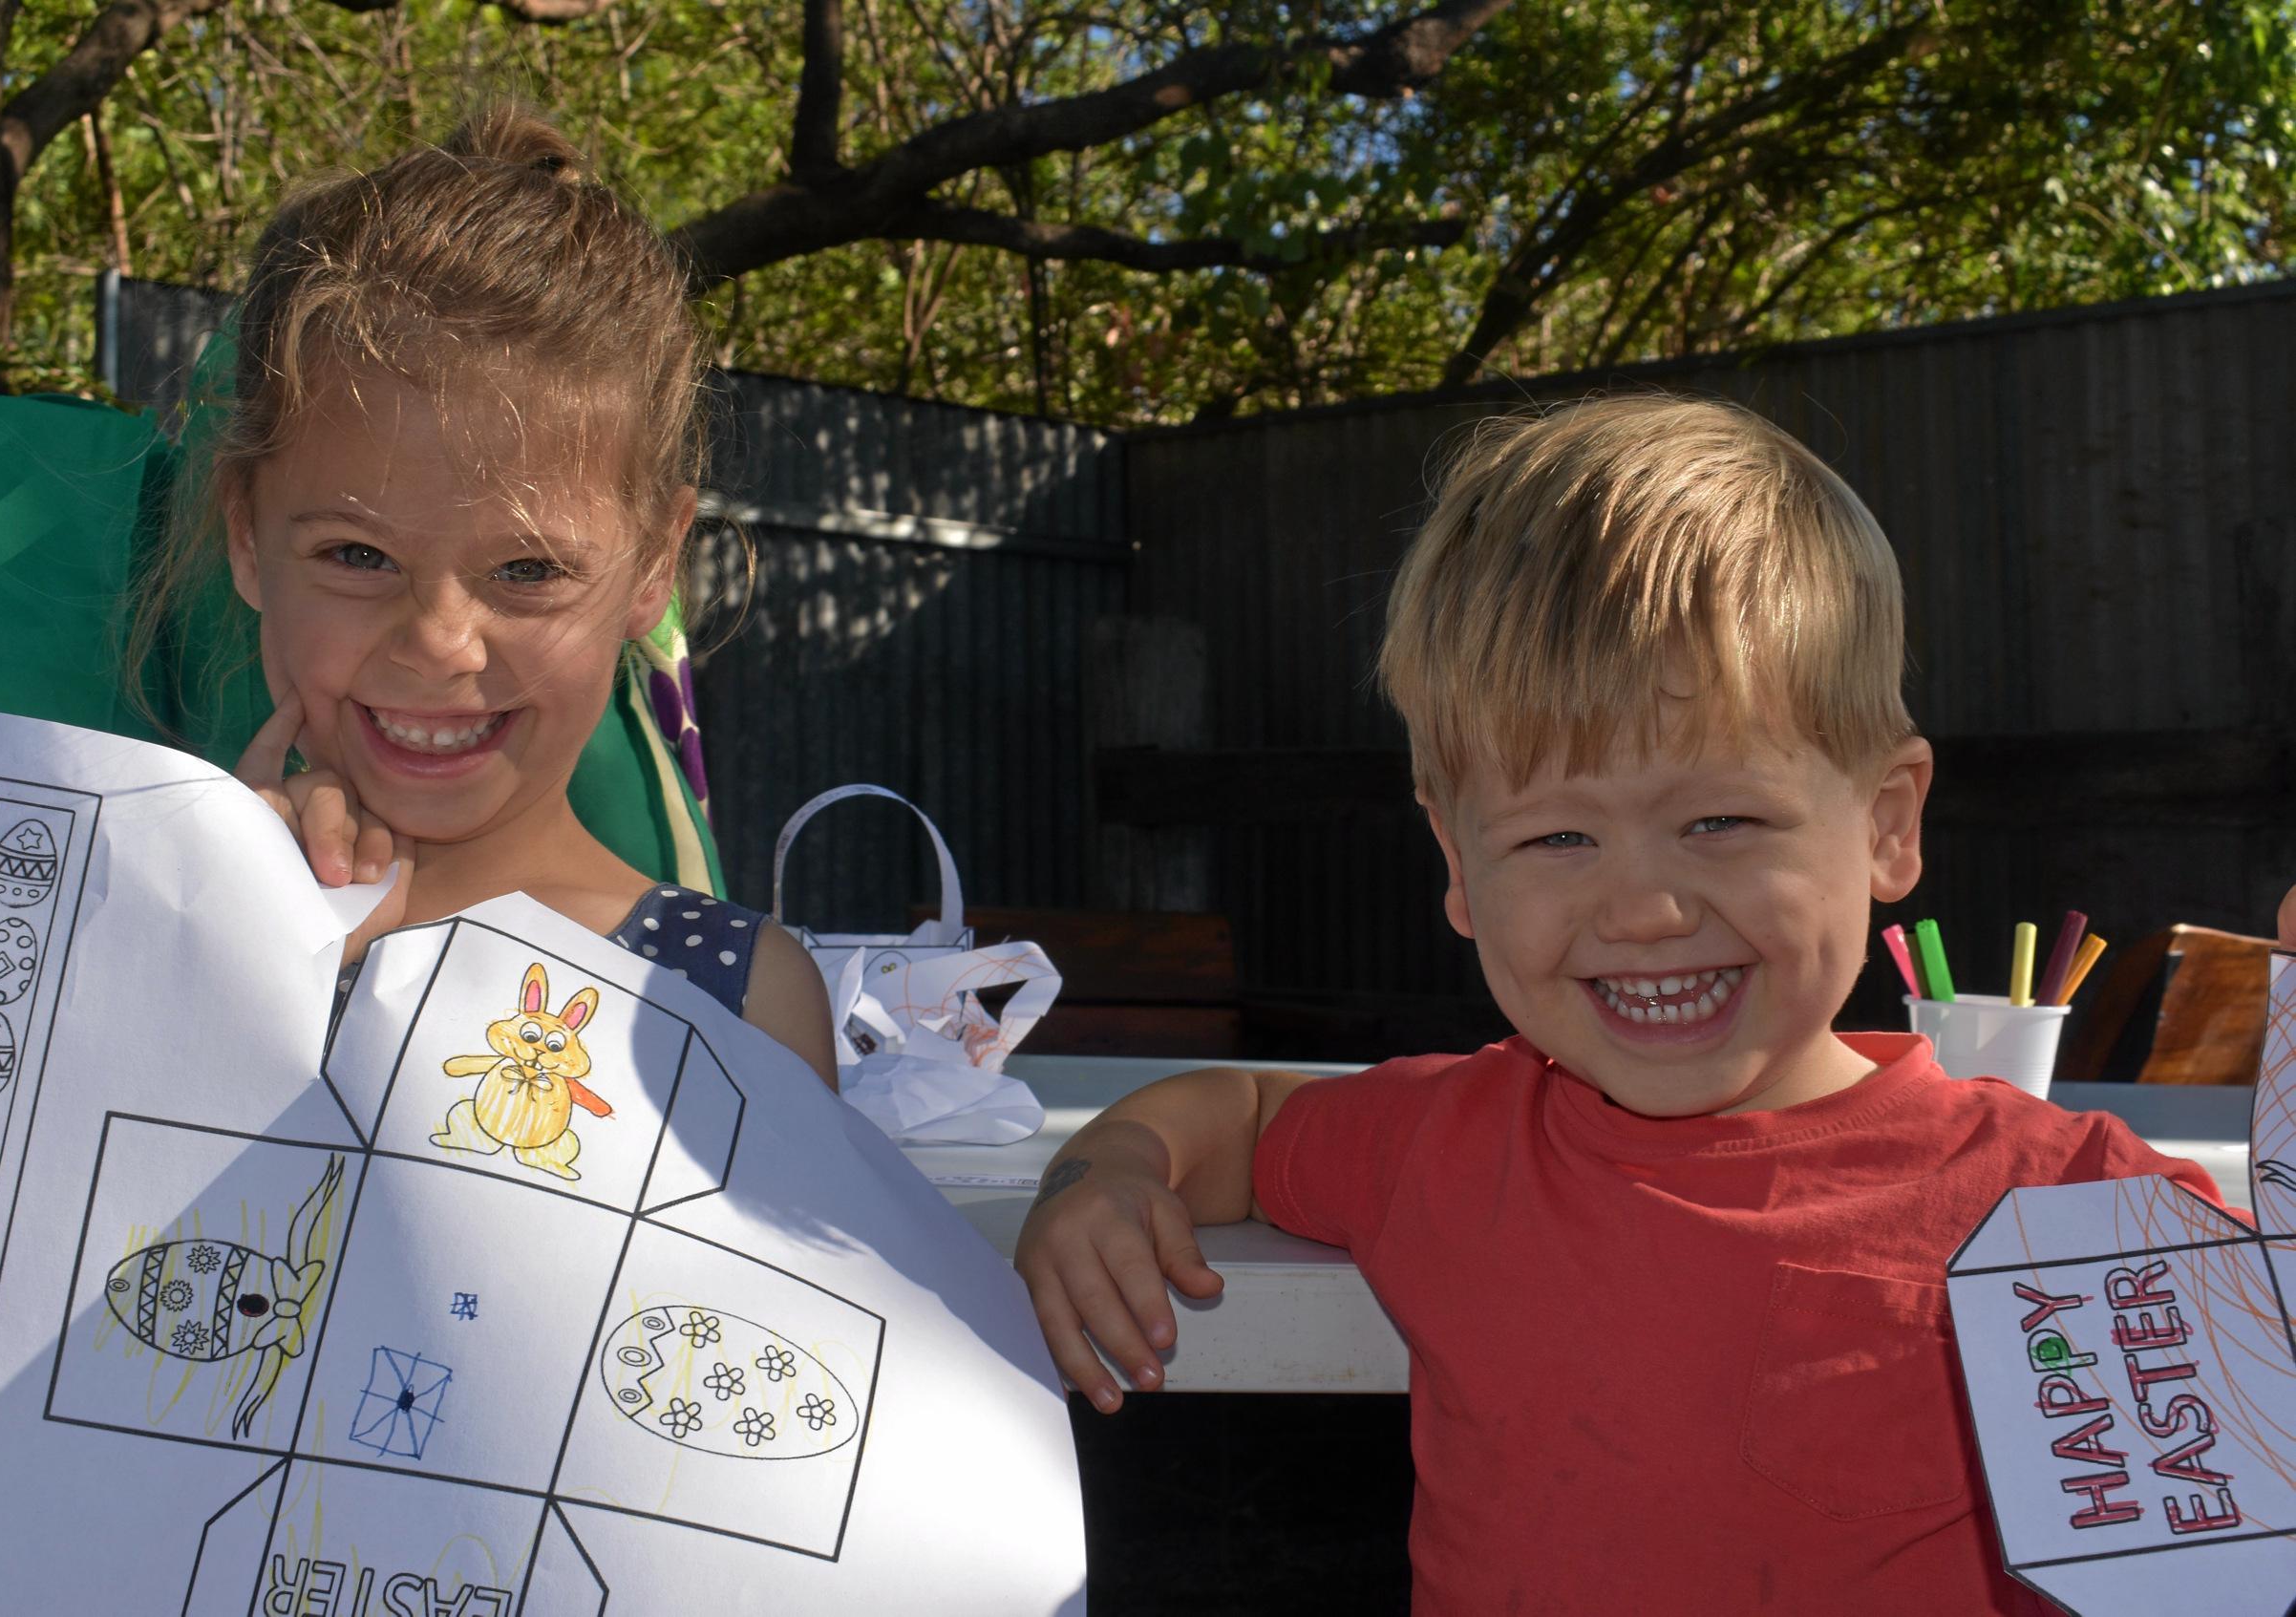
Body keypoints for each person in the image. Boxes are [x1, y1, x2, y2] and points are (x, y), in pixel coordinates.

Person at [1013, 395, 2224, 1614]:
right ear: (1456, 862)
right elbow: (1243, 1109)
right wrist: (1108, 1170)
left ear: (1886, 821)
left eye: (1720, 821)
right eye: (1555, 836)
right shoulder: (1449, 1147)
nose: (1642, 907)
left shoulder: (2079, 1208)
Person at [129, 105, 836, 1085]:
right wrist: (216, 954)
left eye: (528, 570)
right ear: (248, 535)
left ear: (652, 568)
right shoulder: (127, 933)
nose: (439, 643)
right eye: (358, 555)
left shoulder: (739, 1003)